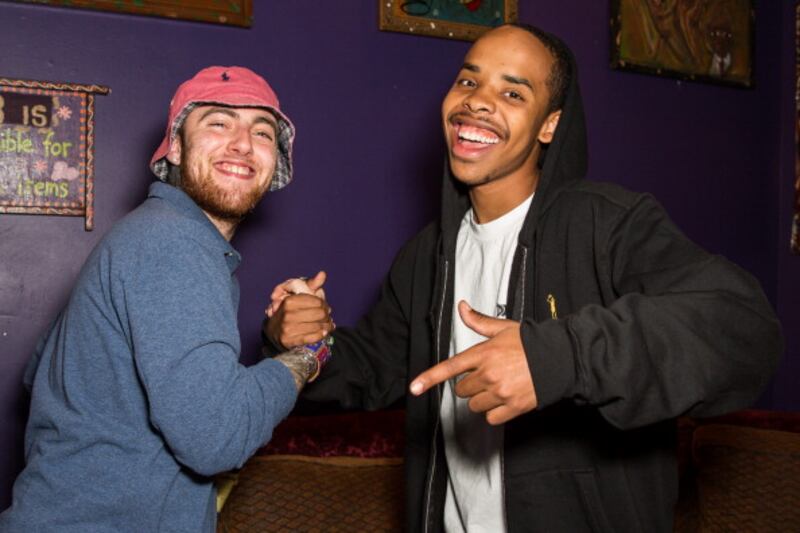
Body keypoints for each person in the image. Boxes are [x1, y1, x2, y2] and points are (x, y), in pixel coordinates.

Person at [264, 23, 783, 532]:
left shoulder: (608, 225)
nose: (477, 101)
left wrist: (557, 357)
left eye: (512, 92)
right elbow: (367, 371)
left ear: (549, 125)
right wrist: (305, 345)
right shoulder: (424, 257)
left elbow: (743, 327)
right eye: (469, 81)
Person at [0, 66, 330, 532]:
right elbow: (216, 437)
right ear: (175, 147)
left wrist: (276, 342)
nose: (242, 143)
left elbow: (43, 374)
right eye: (219, 122)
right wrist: (309, 353)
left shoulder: (152, 237)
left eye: (262, 132)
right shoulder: (172, 243)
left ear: (275, 160)